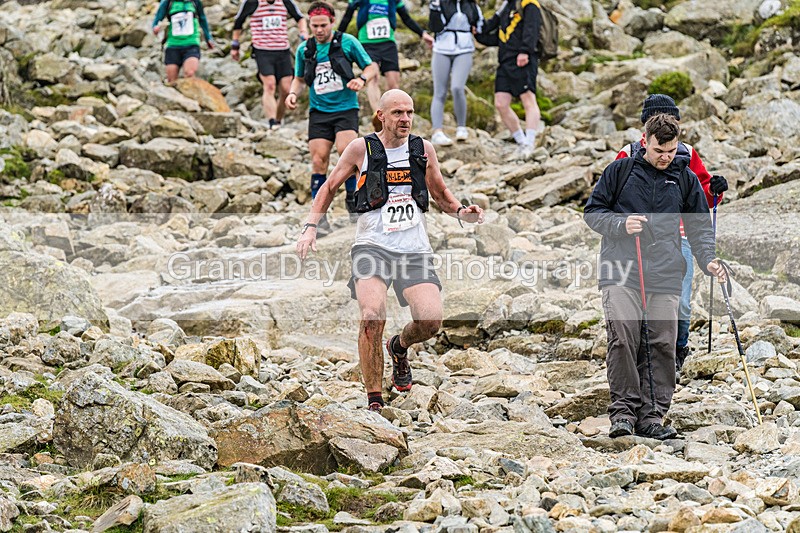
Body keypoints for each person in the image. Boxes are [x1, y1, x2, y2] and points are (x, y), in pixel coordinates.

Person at [296, 89, 485, 411]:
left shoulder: (422, 149)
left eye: (410, 112)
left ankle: (398, 347)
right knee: (371, 317)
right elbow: (328, 188)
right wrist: (310, 227)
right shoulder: (361, 148)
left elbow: (440, 193)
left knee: (430, 321)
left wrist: (462, 212)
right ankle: (375, 401)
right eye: (398, 113)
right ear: (381, 115)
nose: (406, 119)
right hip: (372, 246)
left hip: (413, 249)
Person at [584, 114, 727, 440]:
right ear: (645, 140)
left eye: (671, 150)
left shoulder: (685, 178)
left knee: (661, 344)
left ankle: (651, 417)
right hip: (620, 269)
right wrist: (621, 224)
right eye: (659, 150)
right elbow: (593, 212)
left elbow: (699, 228)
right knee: (623, 338)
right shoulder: (620, 171)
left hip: (665, 272)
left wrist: (708, 261)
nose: (665, 157)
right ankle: (623, 414)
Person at [615, 94, 728, 371]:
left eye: (673, 120)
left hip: (681, 237)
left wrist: (715, 191)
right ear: (646, 127)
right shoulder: (628, 155)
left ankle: (677, 350)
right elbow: (611, 199)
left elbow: (700, 198)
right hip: (639, 240)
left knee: (681, 302)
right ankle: (646, 353)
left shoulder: (687, 154)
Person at [285, 1, 379, 223]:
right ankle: (320, 215)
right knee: (319, 161)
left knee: (346, 152)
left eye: (323, 25)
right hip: (319, 111)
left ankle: (353, 203)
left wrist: (361, 79)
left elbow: (371, 66)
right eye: (314, 25)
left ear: (332, 22)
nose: (318, 30)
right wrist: (292, 94)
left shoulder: (347, 42)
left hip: (346, 108)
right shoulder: (304, 49)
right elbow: (299, 79)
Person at [338, 0, 434, 130]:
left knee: (393, 81)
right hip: (367, 43)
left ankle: (394, 111)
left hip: (388, 44)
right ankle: (377, 113)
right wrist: (336, 38)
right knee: (373, 76)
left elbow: (406, 18)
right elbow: (347, 16)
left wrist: (422, 34)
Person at [231, 0, 309, 130]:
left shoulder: (285, 2)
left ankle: (278, 120)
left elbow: (300, 17)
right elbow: (239, 21)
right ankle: (272, 122)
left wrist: (303, 32)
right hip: (262, 50)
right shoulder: (252, 2)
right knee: (270, 85)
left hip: (282, 50)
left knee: (286, 89)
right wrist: (235, 45)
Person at [482, 0, 542, 156]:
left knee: (528, 99)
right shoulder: (507, 6)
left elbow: (532, 28)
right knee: (501, 103)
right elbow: (499, 36)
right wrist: (479, 35)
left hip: (523, 59)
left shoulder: (529, 4)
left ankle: (530, 142)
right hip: (505, 61)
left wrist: (525, 51)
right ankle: (521, 141)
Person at [427, 0, 485, 146]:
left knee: (457, 88)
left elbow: (481, 26)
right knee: (439, 92)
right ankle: (437, 131)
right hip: (442, 48)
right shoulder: (440, 3)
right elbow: (434, 26)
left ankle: (461, 127)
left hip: (464, 49)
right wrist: (434, 8)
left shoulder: (472, 6)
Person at [152, 0, 216, 83]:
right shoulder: (168, 2)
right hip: (173, 45)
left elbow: (202, 19)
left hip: (192, 43)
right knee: (171, 81)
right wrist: (155, 27)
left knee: (189, 73)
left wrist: (208, 38)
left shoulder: (195, 2)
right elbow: (158, 18)